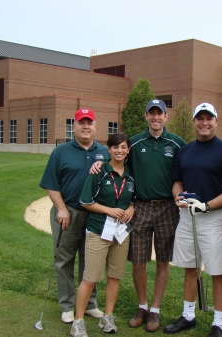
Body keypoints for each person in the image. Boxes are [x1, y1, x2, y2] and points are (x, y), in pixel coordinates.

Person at [90, 99, 186, 332]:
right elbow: (117, 159)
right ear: (146, 116)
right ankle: (142, 306)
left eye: (159, 114)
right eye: (151, 113)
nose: (155, 118)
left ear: (166, 116)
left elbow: (185, 171)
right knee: (139, 261)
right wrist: (99, 163)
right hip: (140, 207)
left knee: (163, 260)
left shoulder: (177, 143)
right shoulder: (134, 142)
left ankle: (155, 310)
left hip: (167, 209)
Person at [164, 103, 222, 337]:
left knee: (216, 270)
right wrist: (179, 197)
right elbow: (177, 182)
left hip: (214, 217)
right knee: (189, 267)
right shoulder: (185, 151)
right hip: (187, 216)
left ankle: (218, 323)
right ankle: (188, 315)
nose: (204, 123)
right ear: (194, 122)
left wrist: (207, 205)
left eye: (209, 118)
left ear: (216, 121)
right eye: (200, 119)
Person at [39, 108, 109, 323]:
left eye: (89, 123)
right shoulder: (61, 152)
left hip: (95, 215)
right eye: (81, 123)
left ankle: (89, 303)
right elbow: (51, 184)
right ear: (74, 126)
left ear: (95, 126)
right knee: (64, 260)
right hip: (68, 213)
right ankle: (68, 305)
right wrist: (61, 208)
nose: (85, 127)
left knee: (92, 261)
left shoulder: (105, 152)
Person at [70, 132, 135, 336]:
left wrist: (131, 207)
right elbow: (85, 201)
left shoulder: (131, 174)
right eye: (115, 147)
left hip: (120, 234)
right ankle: (78, 322)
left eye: (123, 147)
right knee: (90, 278)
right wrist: (109, 210)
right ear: (109, 149)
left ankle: (107, 317)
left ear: (128, 150)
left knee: (114, 277)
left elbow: (132, 197)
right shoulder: (99, 171)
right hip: (99, 231)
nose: (119, 151)